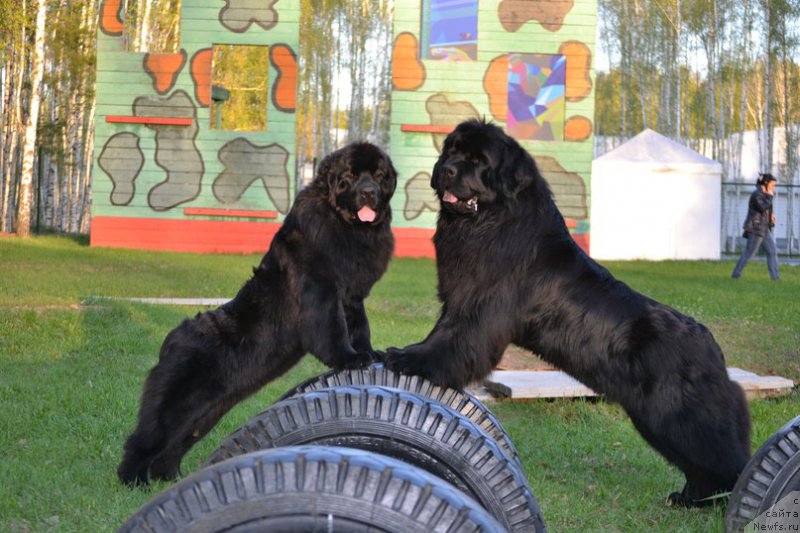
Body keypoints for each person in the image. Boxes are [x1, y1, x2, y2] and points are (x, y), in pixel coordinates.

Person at [732, 173, 780, 280]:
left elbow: (765, 209)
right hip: (755, 228)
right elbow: (762, 207)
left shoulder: (765, 194)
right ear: (765, 183)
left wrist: (770, 216)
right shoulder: (757, 194)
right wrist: (770, 196)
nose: (774, 187)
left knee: (772, 251)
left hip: (764, 228)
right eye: (772, 185)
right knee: (749, 253)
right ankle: (735, 276)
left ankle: (776, 278)